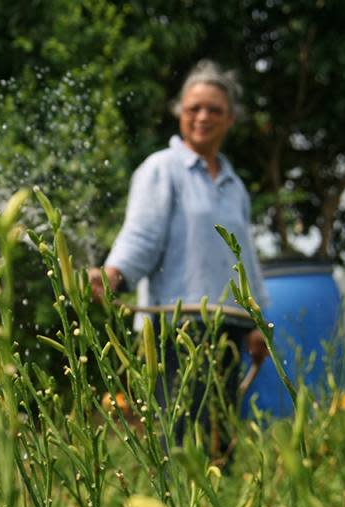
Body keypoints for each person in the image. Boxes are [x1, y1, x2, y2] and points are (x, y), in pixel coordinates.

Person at [88, 60, 269, 456]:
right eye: (194, 108)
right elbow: (142, 233)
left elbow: (245, 256)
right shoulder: (162, 169)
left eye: (214, 110)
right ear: (180, 113)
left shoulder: (234, 184)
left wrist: (258, 322)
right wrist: (113, 274)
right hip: (176, 327)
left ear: (230, 118)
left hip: (229, 326)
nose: (203, 117)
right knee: (182, 439)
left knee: (221, 439)